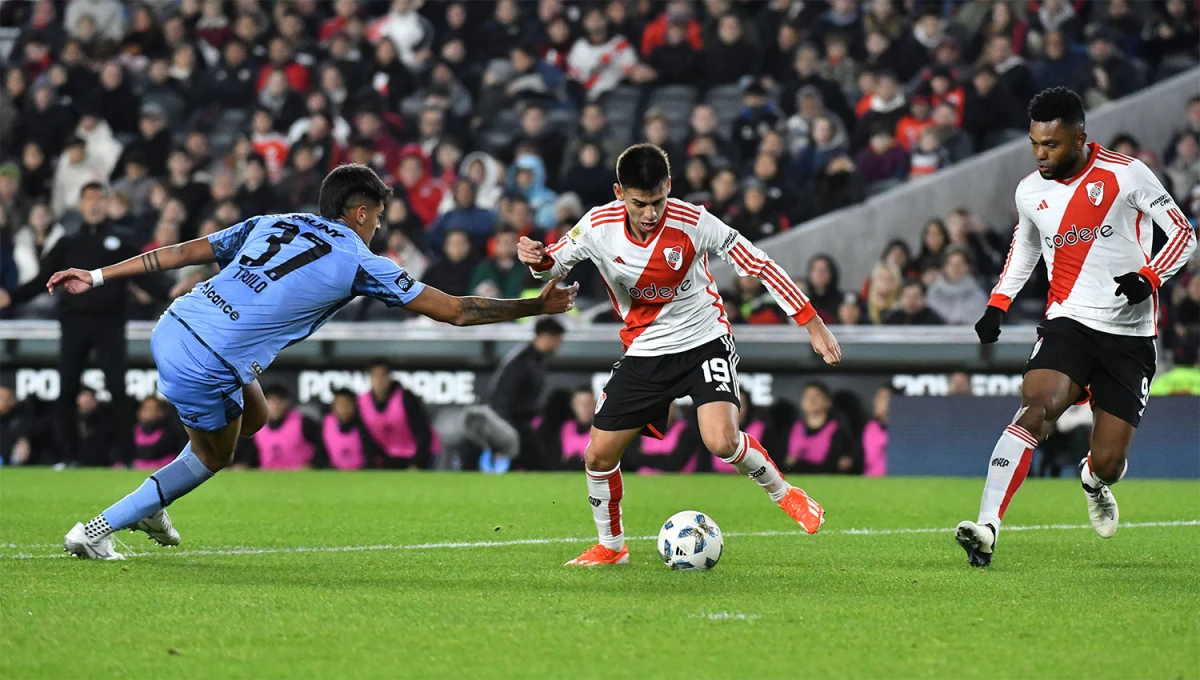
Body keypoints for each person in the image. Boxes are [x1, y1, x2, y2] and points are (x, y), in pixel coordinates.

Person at [53, 163, 578, 560]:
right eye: (378, 217)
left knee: (253, 418)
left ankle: (154, 502)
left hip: (175, 323)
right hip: (209, 358)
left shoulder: (272, 221)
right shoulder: (357, 259)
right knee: (214, 457)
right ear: (361, 213)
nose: (377, 228)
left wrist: (97, 275)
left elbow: (184, 251)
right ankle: (97, 530)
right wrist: (535, 306)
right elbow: (457, 311)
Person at [517, 143, 842, 566]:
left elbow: (759, 263)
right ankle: (612, 548)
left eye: (657, 201)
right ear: (620, 193)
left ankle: (787, 494)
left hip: (703, 340)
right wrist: (536, 260)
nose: (650, 213)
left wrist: (811, 322)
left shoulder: (694, 222)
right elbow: (551, 264)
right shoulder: (597, 226)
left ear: (669, 187)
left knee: (721, 440)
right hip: (645, 350)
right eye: (639, 203)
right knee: (597, 456)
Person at [956, 88, 1196, 567]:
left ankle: (1092, 479)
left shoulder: (1126, 174)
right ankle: (986, 527)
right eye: (1035, 144)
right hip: (1068, 321)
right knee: (1036, 409)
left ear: (1080, 137)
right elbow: (1024, 248)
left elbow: (1184, 234)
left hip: (1130, 336)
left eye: (1052, 145)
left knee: (1110, 461)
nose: (1042, 155)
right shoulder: (1030, 191)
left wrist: (1149, 277)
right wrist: (998, 304)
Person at [1, 183, 164, 468]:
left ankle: (125, 457)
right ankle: (68, 456)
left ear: (107, 203)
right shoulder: (68, 244)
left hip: (110, 324)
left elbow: (145, 278)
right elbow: (43, 280)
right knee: (67, 391)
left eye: (100, 198)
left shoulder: (122, 243)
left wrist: (172, 292)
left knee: (118, 389)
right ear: (80, 205)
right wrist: (11, 296)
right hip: (74, 324)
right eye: (89, 199)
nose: (94, 204)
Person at [462, 317, 566, 472]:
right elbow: (502, 395)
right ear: (545, 336)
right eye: (557, 339)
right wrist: (505, 429)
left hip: (521, 422)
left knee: (535, 462)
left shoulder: (536, 359)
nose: (559, 344)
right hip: (511, 422)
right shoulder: (522, 361)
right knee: (536, 464)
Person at [359, 359, 435, 470]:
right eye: (375, 376)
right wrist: (373, 462)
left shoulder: (405, 398)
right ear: (369, 379)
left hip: (419, 455)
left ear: (390, 377)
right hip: (390, 457)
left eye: (383, 375)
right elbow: (365, 437)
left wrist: (417, 462)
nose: (380, 381)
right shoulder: (362, 402)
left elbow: (423, 433)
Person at [252, 384, 323, 470]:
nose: (275, 406)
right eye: (271, 401)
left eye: (279, 401)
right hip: (269, 477)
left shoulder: (303, 422)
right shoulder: (257, 426)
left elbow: (322, 447)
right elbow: (249, 457)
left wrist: (313, 464)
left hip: (301, 477)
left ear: (287, 403)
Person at [323, 388, 383, 471]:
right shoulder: (326, 424)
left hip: (361, 474)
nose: (343, 408)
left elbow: (372, 458)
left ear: (354, 406)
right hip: (335, 474)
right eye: (340, 404)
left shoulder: (364, 426)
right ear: (333, 407)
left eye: (347, 404)